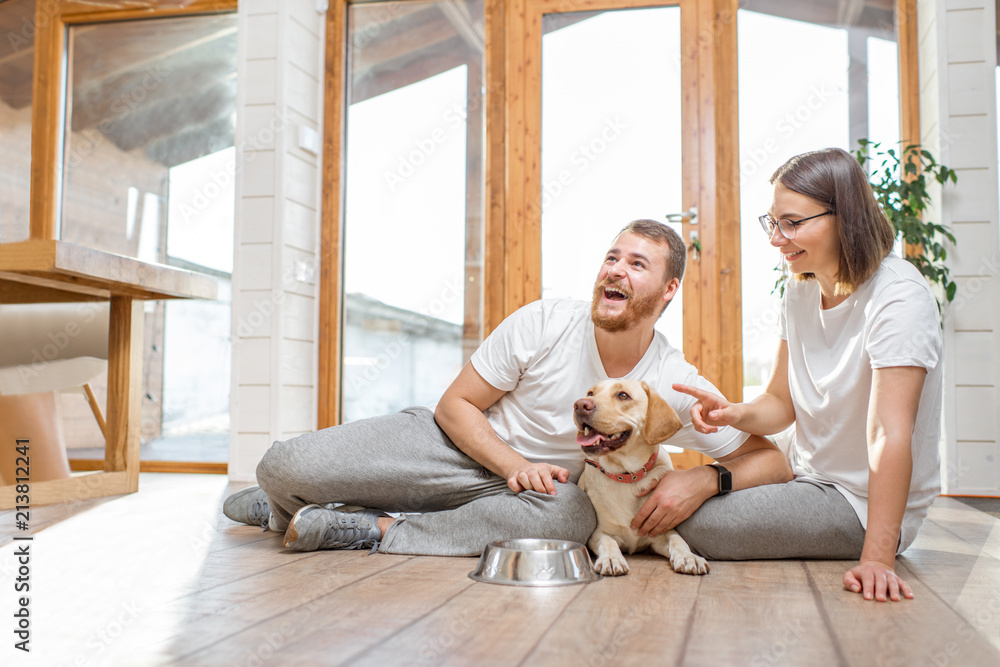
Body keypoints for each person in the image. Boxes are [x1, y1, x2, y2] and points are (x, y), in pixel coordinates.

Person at [222, 219, 791, 557]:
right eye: (611, 257)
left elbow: (772, 462)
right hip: (456, 447)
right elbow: (456, 404)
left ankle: (371, 528)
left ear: (667, 291)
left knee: (572, 517)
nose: (614, 270)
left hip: (536, 499)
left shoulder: (675, 384)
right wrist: (511, 462)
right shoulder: (544, 321)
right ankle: (284, 506)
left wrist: (704, 477)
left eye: (636, 264)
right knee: (281, 466)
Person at [672, 147, 943, 603]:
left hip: (859, 505)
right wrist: (733, 412)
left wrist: (877, 557)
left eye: (792, 223)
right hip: (807, 478)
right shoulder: (800, 292)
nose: (777, 238)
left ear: (845, 217)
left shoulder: (898, 297)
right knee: (674, 499)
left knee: (698, 522)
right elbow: (780, 404)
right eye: (773, 223)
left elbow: (888, 435)